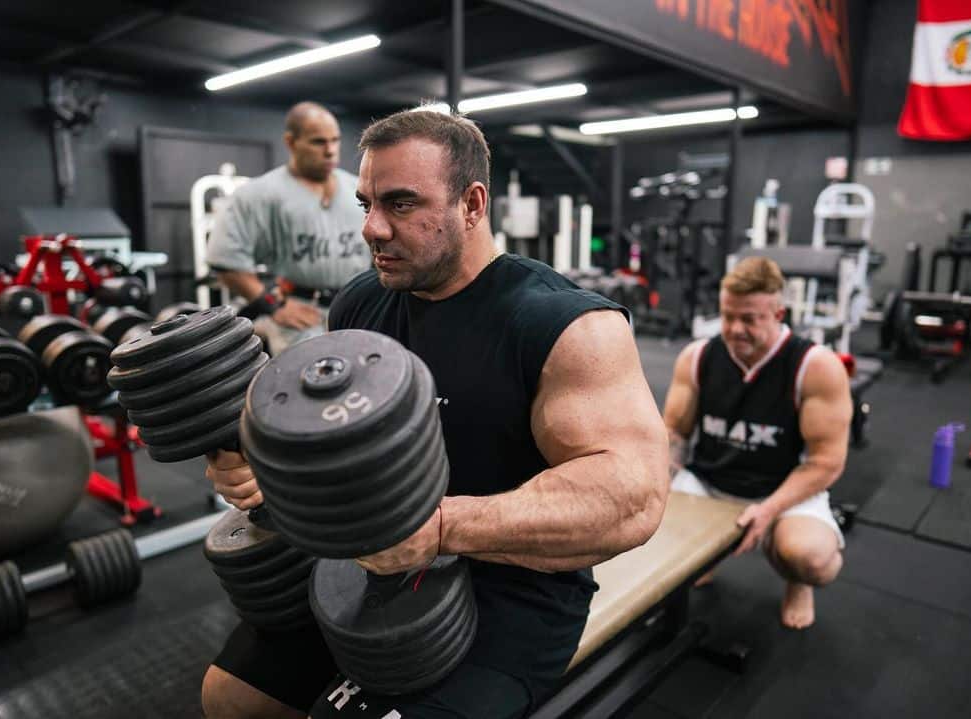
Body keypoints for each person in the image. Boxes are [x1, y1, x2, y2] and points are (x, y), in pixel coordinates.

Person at [201, 109, 669, 719]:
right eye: (366, 203)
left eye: (400, 205)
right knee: (232, 697)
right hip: (368, 568)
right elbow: (338, 449)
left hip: (510, 592)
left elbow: (632, 496)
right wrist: (274, 480)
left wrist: (441, 527)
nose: (371, 228)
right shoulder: (360, 304)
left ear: (472, 205)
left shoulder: (564, 325)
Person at [662, 256, 852, 630]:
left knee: (809, 558)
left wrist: (768, 511)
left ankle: (797, 583)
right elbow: (674, 435)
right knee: (646, 529)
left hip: (781, 491)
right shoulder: (697, 357)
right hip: (710, 482)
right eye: (727, 315)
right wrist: (655, 487)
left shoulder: (815, 367)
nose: (735, 329)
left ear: (779, 313)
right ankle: (706, 554)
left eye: (749, 319)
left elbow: (826, 462)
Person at [205, 101, 370, 354]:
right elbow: (225, 260)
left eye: (335, 140)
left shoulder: (358, 189)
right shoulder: (259, 194)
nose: (330, 151)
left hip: (359, 307)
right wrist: (273, 305)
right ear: (291, 142)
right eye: (318, 142)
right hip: (302, 316)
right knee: (308, 387)